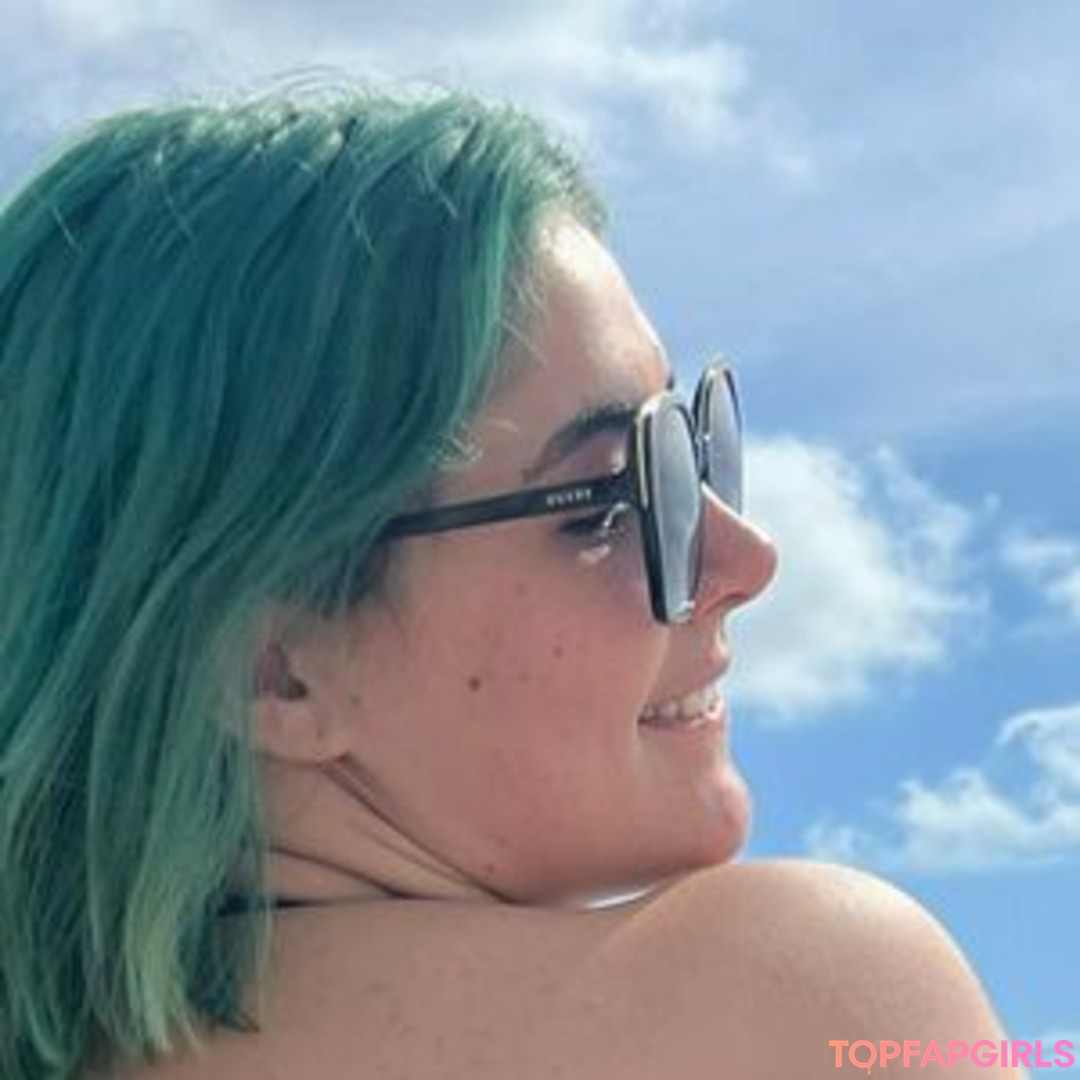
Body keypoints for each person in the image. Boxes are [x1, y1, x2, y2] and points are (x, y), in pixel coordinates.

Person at [0, 83, 1016, 1080]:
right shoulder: (796, 1005)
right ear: (276, 670)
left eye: (691, 445)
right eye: (613, 496)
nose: (747, 561)